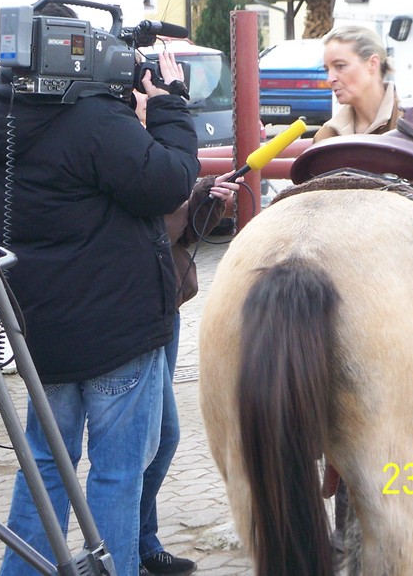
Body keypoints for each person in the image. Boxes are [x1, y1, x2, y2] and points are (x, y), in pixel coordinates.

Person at [0, 5, 199, 576]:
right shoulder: (95, 121)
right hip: (116, 332)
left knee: (47, 467)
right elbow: (170, 180)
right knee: (116, 475)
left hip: (43, 331)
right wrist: (171, 105)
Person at [314, 26, 413, 575]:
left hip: (410, 308)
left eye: (341, 66)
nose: (331, 79)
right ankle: (352, 547)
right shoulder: (327, 138)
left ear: (374, 65)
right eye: (327, 68)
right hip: (349, 307)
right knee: (349, 434)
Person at [133, 88, 240, 576]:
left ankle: (141, 541)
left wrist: (205, 204)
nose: (153, 97)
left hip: (165, 306)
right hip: (136, 314)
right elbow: (143, 235)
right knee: (153, 438)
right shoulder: (124, 149)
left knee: (157, 436)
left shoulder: (157, 147)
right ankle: (128, 544)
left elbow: (174, 238)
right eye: (145, 91)